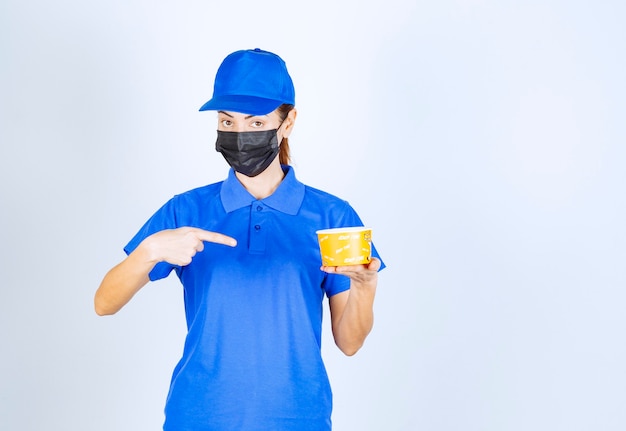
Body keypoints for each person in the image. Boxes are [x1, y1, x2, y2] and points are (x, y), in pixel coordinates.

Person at [95, 48, 385, 431]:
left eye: (255, 121)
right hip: (198, 417)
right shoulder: (187, 210)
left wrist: (365, 287)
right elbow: (104, 303)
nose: (239, 134)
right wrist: (148, 252)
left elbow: (349, 343)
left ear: (288, 121)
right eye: (227, 121)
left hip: (298, 419)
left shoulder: (333, 218)